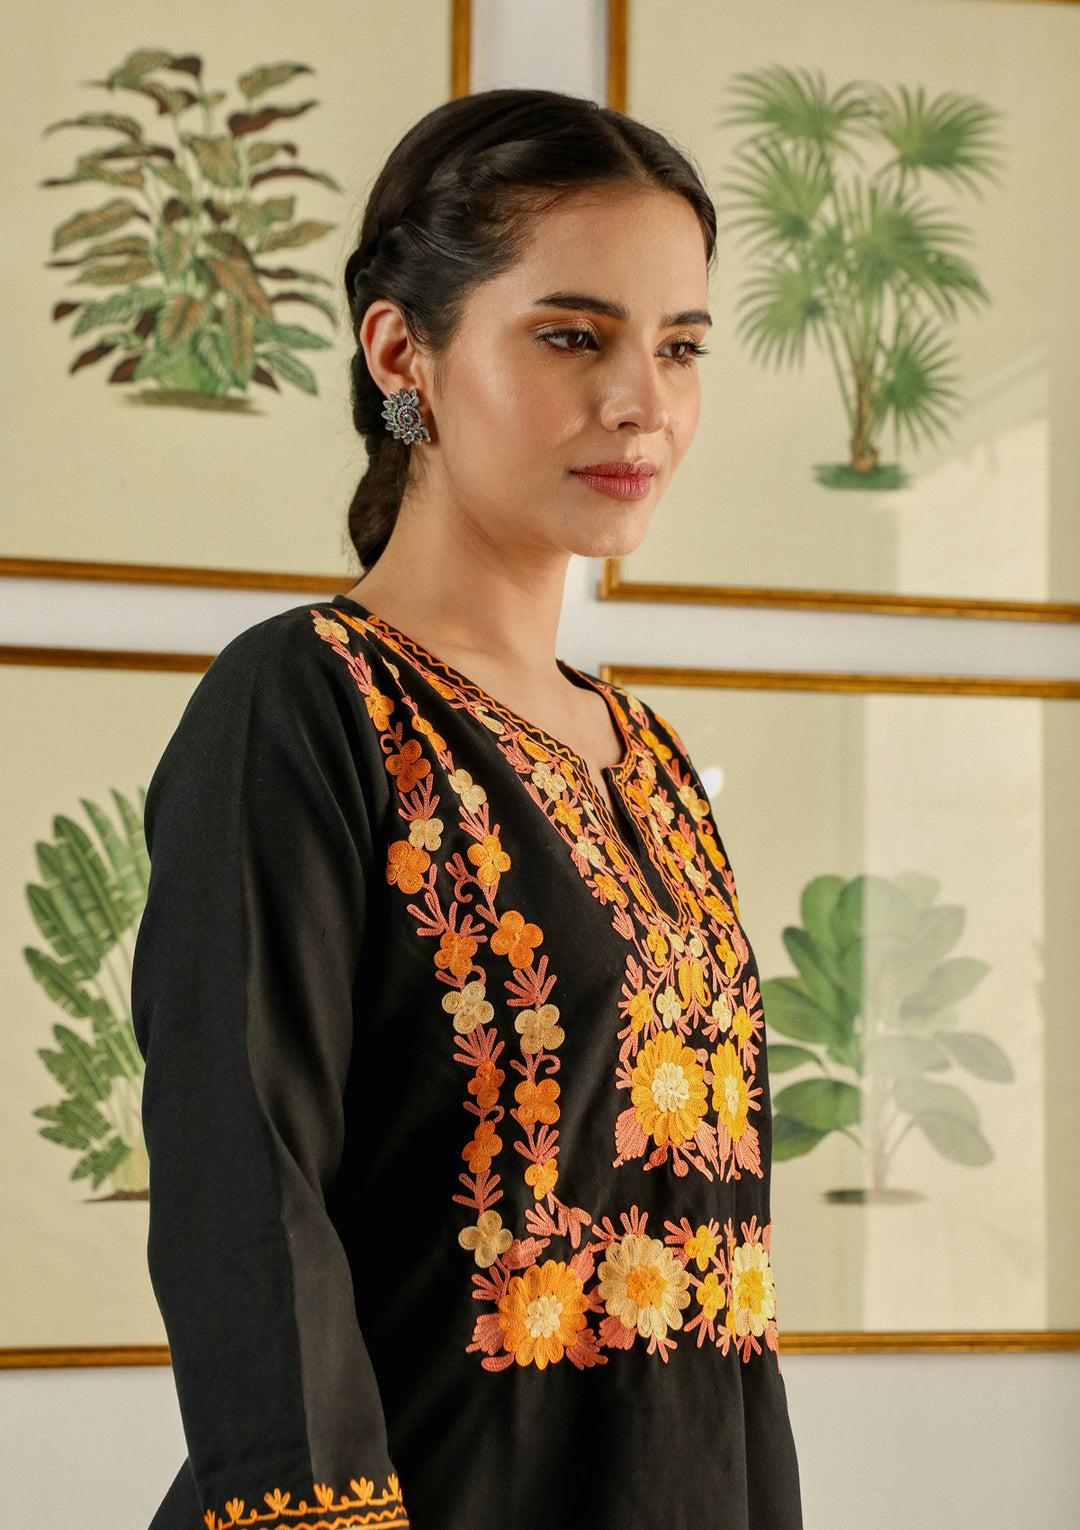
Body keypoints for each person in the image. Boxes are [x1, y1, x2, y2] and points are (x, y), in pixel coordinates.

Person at [132, 87, 803, 1530]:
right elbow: (244, 1189)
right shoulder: (305, 704)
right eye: (572, 336)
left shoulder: (649, 759)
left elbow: (723, 1268)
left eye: (680, 346)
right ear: (403, 353)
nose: (643, 403)